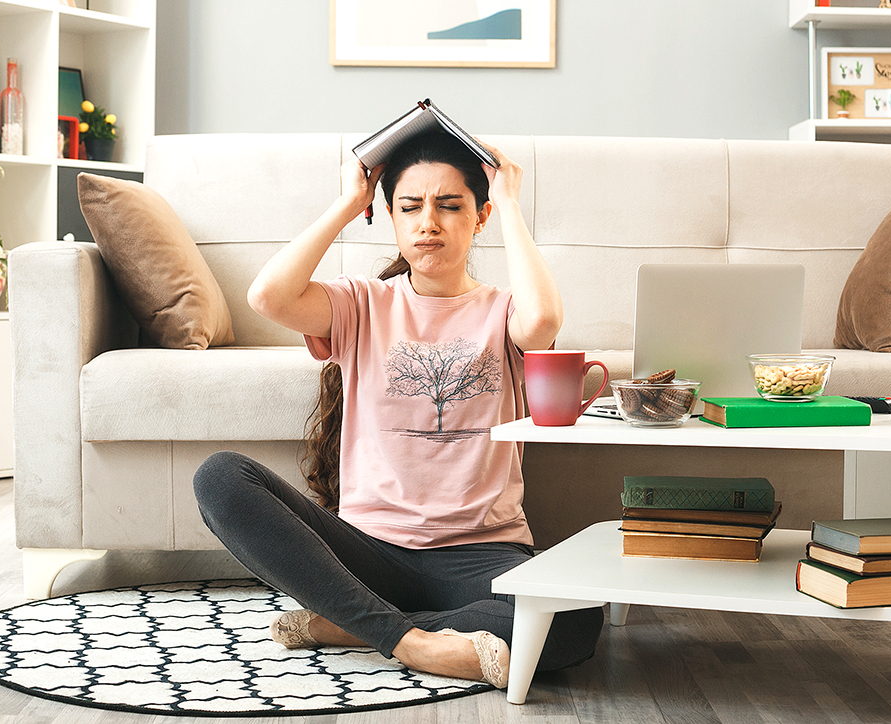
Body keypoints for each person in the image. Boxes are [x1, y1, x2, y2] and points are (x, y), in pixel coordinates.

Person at [193, 131, 603, 688]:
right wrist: (347, 202)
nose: (427, 222)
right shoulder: (361, 303)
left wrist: (508, 200)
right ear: (389, 215)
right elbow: (269, 297)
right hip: (370, 551)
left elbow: (542, 324)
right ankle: (414, 642)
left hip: (482, 556)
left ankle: (357, 626)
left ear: (478, 218)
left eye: (450, 206)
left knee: (576, 615)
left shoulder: (502, 311)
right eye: (409, 207)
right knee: (220, 477)